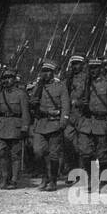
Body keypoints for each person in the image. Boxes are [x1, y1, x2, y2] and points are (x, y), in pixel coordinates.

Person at [30, 59, 70, 191]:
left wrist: (63, 122)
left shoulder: (60, 86)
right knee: (38, 152)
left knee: (53, 154)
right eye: (43, 71)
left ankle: (52, 180)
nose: (45, 74)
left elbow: (65, 105)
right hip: (41, 124)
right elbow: (32, 103)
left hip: (54, 124)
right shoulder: (39, 86)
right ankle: (44, 177)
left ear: (53, 73)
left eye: (48, 71)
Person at [0, 68, 31, 189]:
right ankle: (4, 175)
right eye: (5, 78)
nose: (7, 80)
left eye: (9, 78)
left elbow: (25, 112)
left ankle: (14, 179)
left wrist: (25, 127)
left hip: (15, 126)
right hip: (1, 126)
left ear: (14, 79)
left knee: (15, 154)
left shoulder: (21, 94)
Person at [75, 57, 107, 172]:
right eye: (91, 68)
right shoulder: (85, 83)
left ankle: (103, 177)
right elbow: (75, 99)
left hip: (101, 121)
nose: (93, 70)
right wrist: (80, 102)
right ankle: (91, 176)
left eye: (95, 68)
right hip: (87, 121)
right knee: (85, 151)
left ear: (101, 69)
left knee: (102, 153)